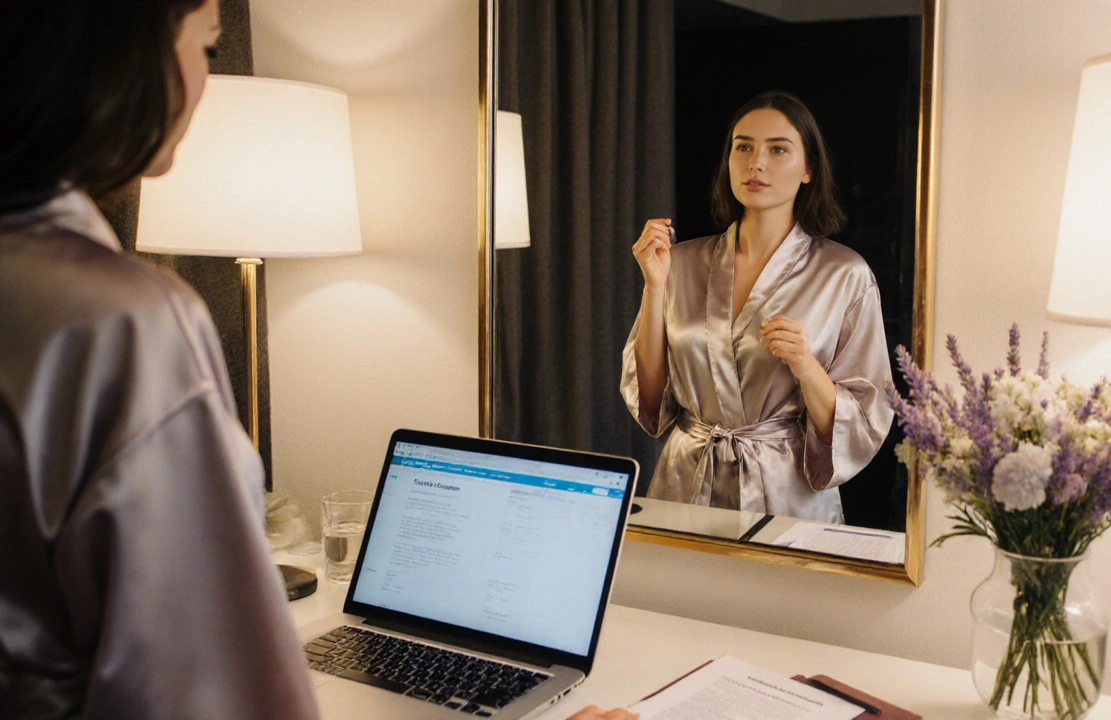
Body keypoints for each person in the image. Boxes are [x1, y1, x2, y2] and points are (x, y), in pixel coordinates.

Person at [0, 3, 635, 719]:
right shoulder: (120, 322)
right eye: (207, 48)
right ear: (124, 58)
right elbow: (205, 692)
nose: (205, 82)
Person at [621, 91, 895, 523]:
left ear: (809, 169)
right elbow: (652, 404)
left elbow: (863, 419)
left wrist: (805, 365)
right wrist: (655, 288)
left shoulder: (845, 274)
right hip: (686, 485)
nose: (756, 163)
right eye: (743, 147)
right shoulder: (680, 262)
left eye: (778, 149)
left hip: (786, 494)